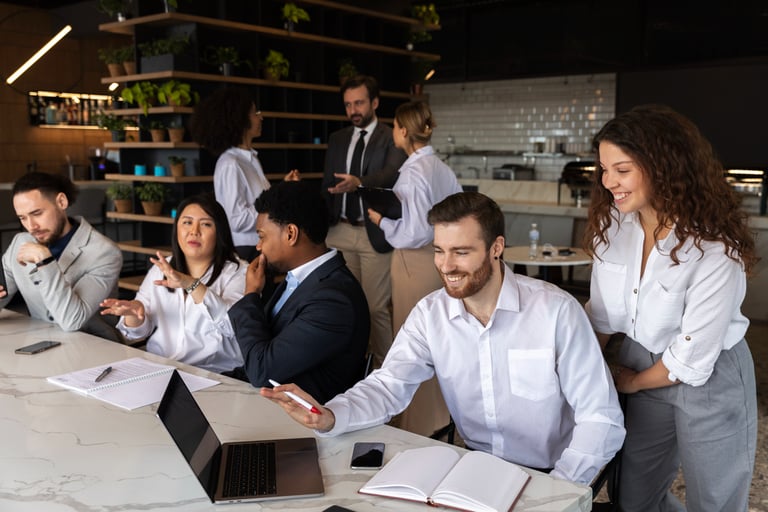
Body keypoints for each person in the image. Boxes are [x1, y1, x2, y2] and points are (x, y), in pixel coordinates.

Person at [262, 191, 626, 485]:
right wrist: (330, 415)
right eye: (439, 251)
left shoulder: (556, 312)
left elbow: (601, 419)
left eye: (461, 252)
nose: (446, 266)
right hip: (473, 468)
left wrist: (560, 488)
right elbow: (389, 386)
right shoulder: (430, 314)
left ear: (496, 247)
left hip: (549, 473)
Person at [584, 105, 758, 511]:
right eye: (604, 170)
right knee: (632, 497)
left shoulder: (714, 246)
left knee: (714, 501)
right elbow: (602, 315)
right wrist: (576, 368)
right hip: (639, 357)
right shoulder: (614, 225)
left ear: (662, 167)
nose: (608, 182)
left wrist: (632, 383)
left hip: (710, 374)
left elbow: (693, 357)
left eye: (622, 170)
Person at [366, 100, 462, 436]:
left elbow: (415, 231)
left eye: (394, 126)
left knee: (413, 340)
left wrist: (381, 221)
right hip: (440, 260)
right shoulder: (441, 168)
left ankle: (419, 422)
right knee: (439, 336)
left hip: (413, 260)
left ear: (404, 130)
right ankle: (440, 415)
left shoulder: (414, 172)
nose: (393, 131)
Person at [228, 181, 370, 404]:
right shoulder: (299, 278)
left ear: (291, 234)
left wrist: (251, 294)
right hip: (264, 400)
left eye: (262, 236)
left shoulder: (333, 300)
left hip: (297, 415)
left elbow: (261, 370)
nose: (258, 246)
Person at [100, 194, 246, 373]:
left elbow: (233, 327)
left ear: (220, 232)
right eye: (187, 222)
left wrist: (190, 284)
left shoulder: (238, 273)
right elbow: (137, 332)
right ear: (176, 228)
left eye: (206, 224)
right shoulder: (163, 266)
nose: (194, 231)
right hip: (161, 368)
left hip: (215, 374)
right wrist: (134, 314)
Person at [322, 75, 407, 368]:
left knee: (374, 308)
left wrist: (359, 182)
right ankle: (351, 368)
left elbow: (391, 175)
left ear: (375, 102)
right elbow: (327, 183)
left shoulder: (390, 137)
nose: (353, 110)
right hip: (339, 231)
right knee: (344, 307)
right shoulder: (337, 139)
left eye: (359, 103)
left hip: (373, 233)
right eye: (348, 105)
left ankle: (386, 371)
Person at [0, 172, 122, 341]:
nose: (31, 226)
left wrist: (45, 261)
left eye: (37, 213)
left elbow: (72, 320)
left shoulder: (104, 252)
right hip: (42, 340)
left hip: (94, 345)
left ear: (61, 202)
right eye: (23, 218)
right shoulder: (20, 243)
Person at [190, 86, 298, 262]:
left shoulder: (249, 159)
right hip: (246, 252)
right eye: (255, 113)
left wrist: (282, 189)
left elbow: (258, 201)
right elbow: (236, 220)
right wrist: (271, 206)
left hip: (260, 247)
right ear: (239, 120)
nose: (261, 117)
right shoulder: (231, 164)